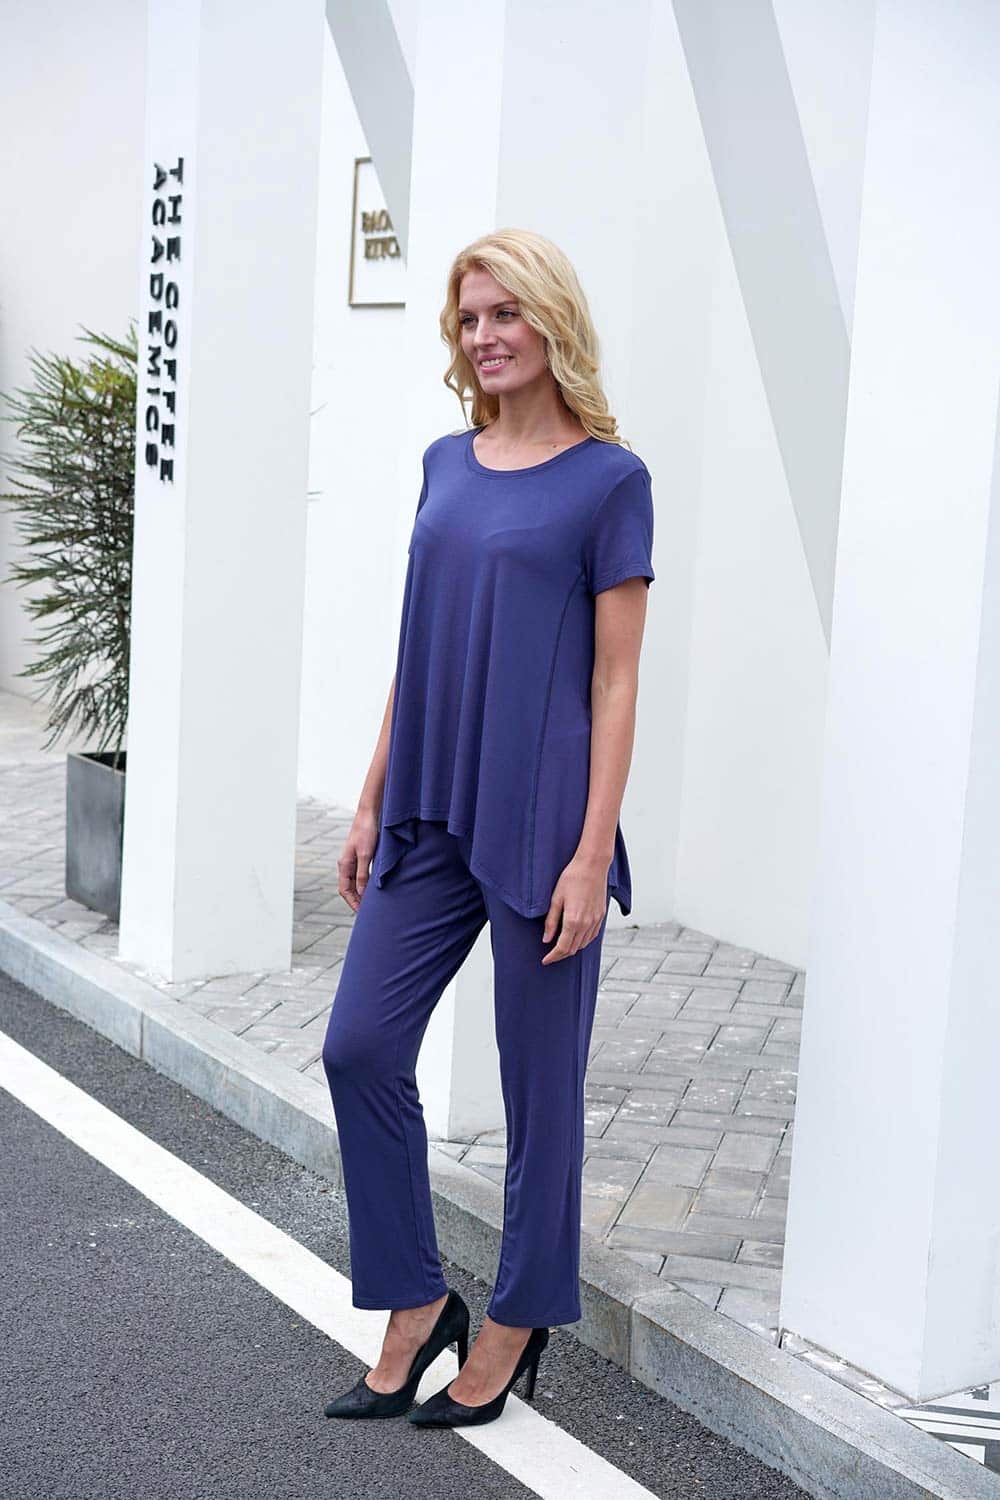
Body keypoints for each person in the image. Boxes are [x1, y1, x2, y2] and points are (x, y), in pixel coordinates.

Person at [321, 227, 655, 1428]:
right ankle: (417, 1300)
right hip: (429, 803)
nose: (485, 336)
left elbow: (615, 680)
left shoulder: (610, 482)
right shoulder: (443, 463)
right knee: (359, 1046)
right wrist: (371, 794)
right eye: (469, 319)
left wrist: (590, 852)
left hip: (541, 819)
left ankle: (515, 1321)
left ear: (551, 320)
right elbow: (419, 645)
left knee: (537, 1091)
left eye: (505, 312)